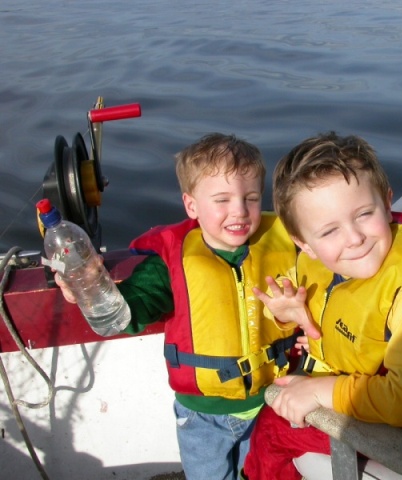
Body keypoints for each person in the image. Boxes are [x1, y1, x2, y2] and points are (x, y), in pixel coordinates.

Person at [242, 132, 402, 479]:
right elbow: (342, 321)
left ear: (386, 202)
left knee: (272, 428)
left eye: (364, 214)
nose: (354, 238)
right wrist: (293, 317)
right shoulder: (320, 263)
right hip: (350, 378)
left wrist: (319, 390)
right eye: (329, 231)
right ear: (304, 244)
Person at [55, 133, 302, 480]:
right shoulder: (170, 261)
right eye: (222, 200)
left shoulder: (288, 243)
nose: (239, 211)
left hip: (272, 402)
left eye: (251, 198)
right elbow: (131, 312)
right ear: (191, 205)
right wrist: (88, 290)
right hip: (202, 417)